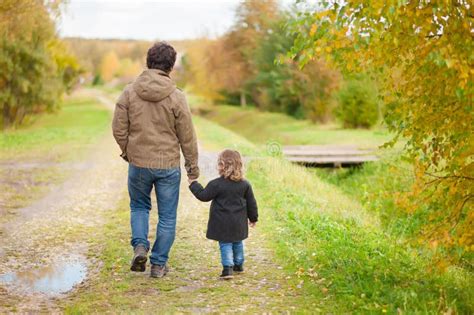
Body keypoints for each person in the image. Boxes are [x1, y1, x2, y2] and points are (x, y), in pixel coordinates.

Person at [112, 42, 199, 278]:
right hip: (168, 165)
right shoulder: (176, 97)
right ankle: (158, 265)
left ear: (148, 62)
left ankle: (140, 246)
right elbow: (187, 136)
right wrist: (192, 167)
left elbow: (118, 128)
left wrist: (128, 152)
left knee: (139, 206)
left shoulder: (129, 92)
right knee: (167, 216)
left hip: (138, 164)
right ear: (170, 67)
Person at [188, 149, 258, 279]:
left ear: (221, 165)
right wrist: (253, 218)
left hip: (222, 222)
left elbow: (203, 196)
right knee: (238, 242)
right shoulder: (245, 185)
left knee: (225, 243)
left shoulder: (216, 184)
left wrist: (194, 184)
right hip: (238, 222)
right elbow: (251, 203)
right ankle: (239, 264)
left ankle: (227, 268)